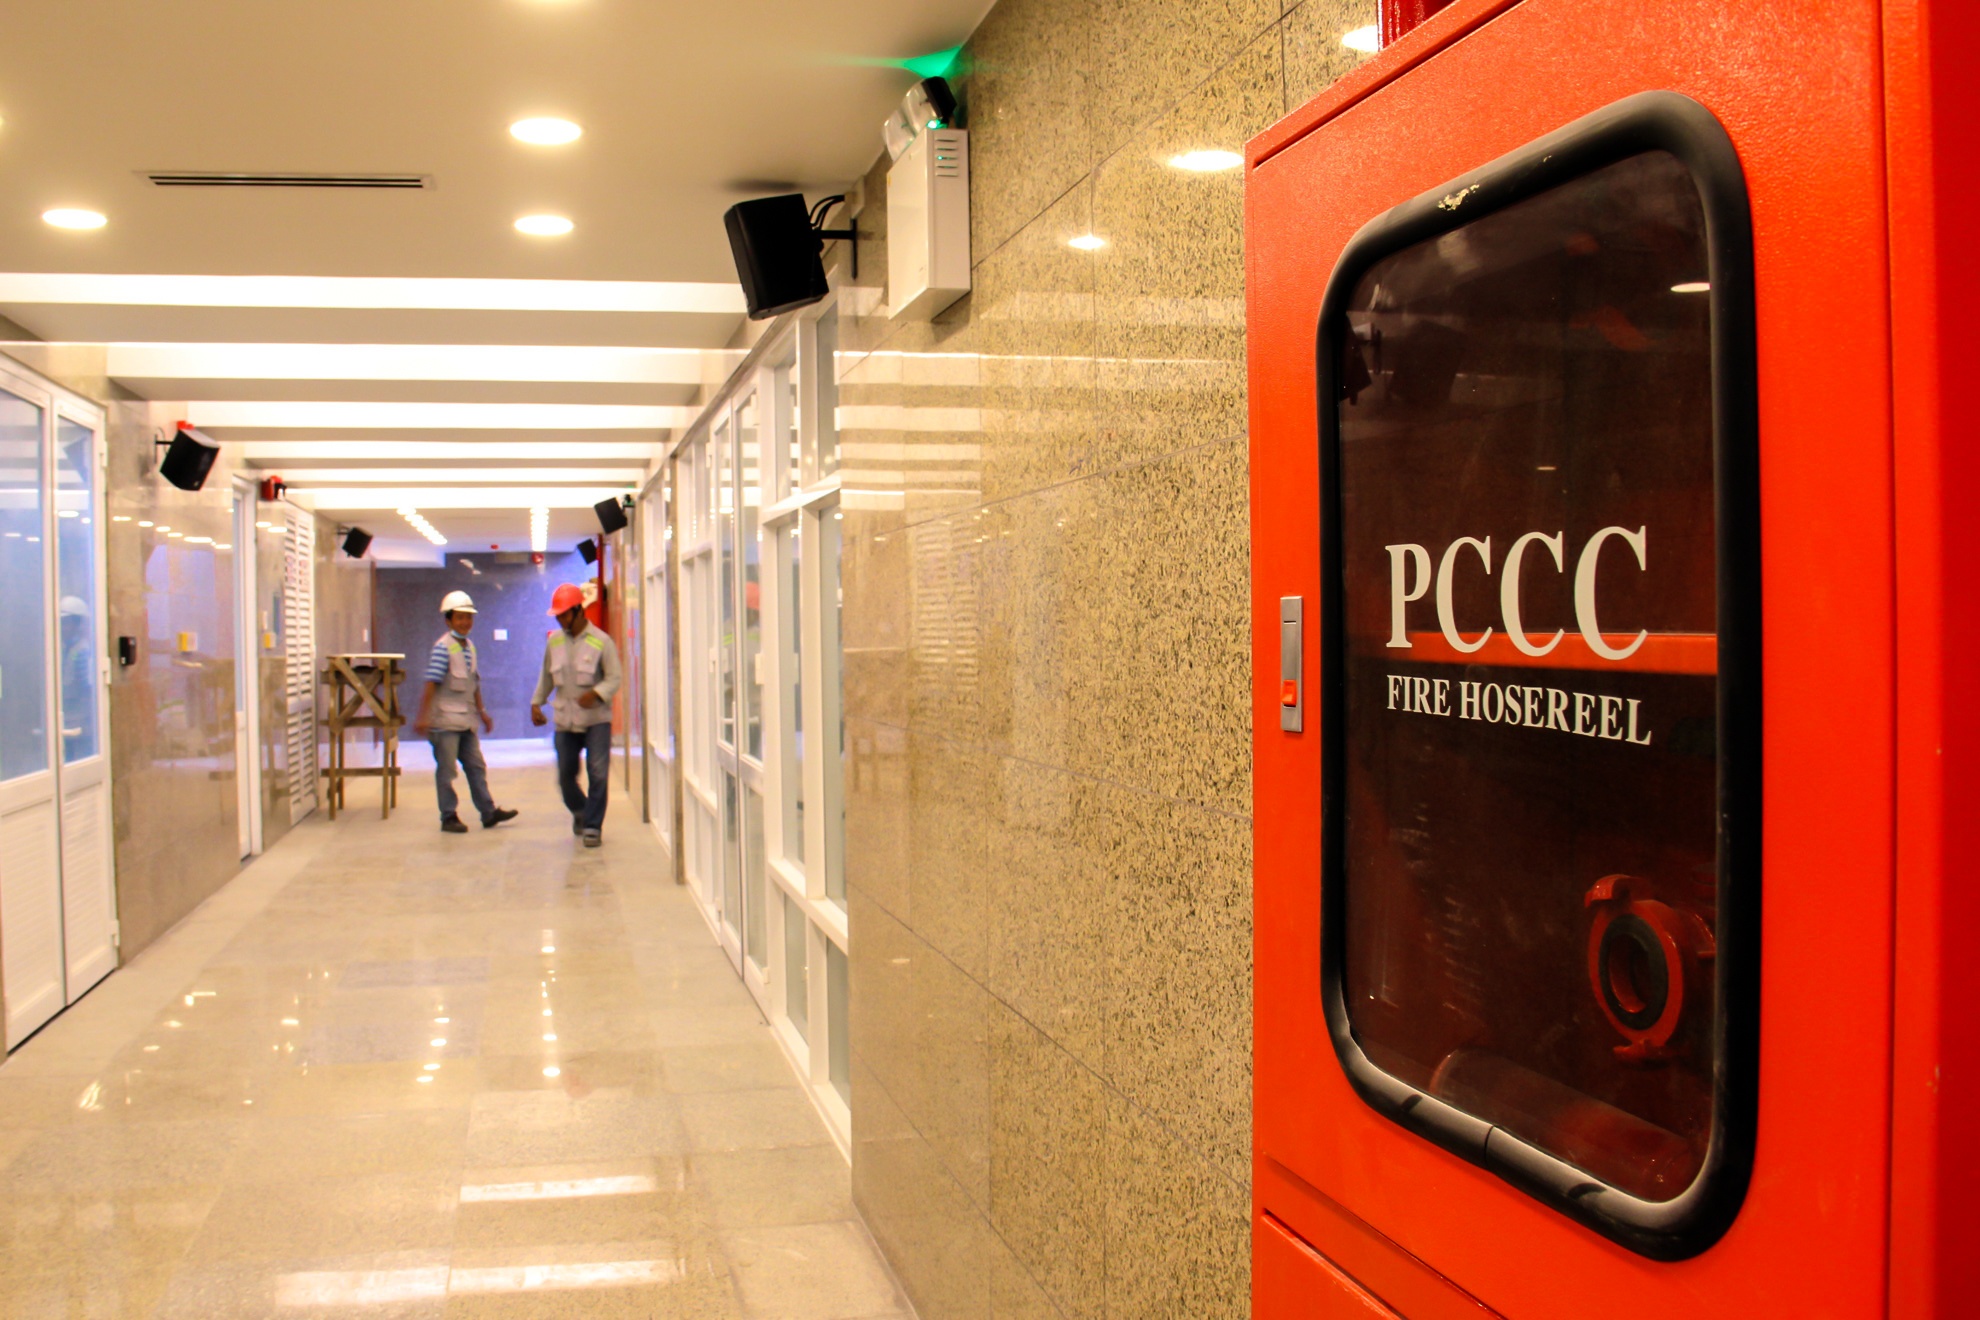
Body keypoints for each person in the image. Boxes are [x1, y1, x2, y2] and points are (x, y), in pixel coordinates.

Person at [412, 589, 519, 834]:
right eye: (460, 617)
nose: (465, 622)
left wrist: (482, 712)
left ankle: (488, 812)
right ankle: (448, 816)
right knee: (447, 771)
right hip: (444, 723)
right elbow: (431, 683)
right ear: (448, 620)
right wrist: (423, 717)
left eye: (468, 617)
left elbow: (474, 683)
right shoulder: (443, 648)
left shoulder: (470, 647)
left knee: (476, 766)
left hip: (466, 721)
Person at [531, 582, 620, 847]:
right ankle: (581, 810)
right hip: (565, 720)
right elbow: (546, 676)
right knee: (565, 775)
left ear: (579, 611)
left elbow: (614, 678)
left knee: (598, 773)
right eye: (557, 616)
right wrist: (536, 702)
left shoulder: (601, 641)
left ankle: (592, 826)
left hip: (596, 720)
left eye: (564, 615)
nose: (560, 620)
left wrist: (597, 693)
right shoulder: (555, 641)